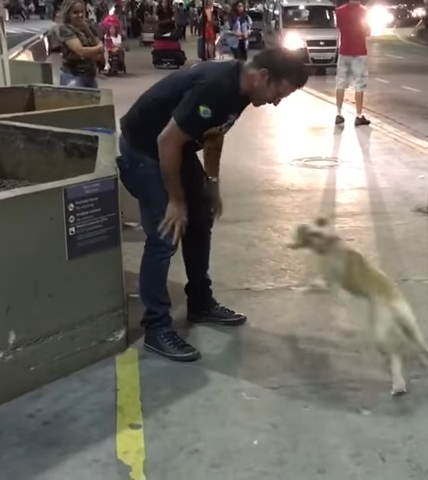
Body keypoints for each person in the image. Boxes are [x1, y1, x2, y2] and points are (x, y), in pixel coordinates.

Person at [116, 48, 310, 362]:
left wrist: (212, 184)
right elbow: (167, 141)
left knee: (201, 217)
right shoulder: (216, 86)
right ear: (262, 77)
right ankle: (156, 327)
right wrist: (176, 201)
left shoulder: (244, 91)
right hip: (144, 149)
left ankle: (200, 303)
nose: (276, 102)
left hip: (173, 148)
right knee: (167, 231)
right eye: (279, 93)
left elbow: (214, 136)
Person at [335, 0, 371, 127]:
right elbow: (367, 31)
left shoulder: (339, 11)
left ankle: (339, 114)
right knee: (359, 83)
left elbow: (339, 27)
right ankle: (359, 115)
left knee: (340, 82)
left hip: (344, 50)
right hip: (359, 51)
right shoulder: (364, 12)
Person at [57, 0, 104, 88]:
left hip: (90, 76)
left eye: (81, 12)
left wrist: (87, 30)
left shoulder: (87, 25)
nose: (80, 15)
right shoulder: (65, 29)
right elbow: (81, 51)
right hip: (73, 76)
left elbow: (98, 47)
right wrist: (99, 48)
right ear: (68, 14)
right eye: (75, 12)